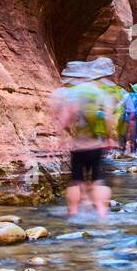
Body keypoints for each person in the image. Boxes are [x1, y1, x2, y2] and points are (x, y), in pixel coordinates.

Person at [52, 57, 120, 219]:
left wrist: (62, 137)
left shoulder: (72, 93)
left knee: (76, 180)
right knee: (98, 179)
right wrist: (109, 136)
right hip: (96, 145)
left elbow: (64, 119)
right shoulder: (98, 93)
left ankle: (74, 212)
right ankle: (102, 213)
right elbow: (108, 117)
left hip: (78, 146)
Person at [121, 82, 137, 155]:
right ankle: (132, 153)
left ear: (132, 89)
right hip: (136, 119)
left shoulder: (126, 96)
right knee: (134, 137)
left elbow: (121, 106)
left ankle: (123, 151)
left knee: (124, 136)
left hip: (126, 118)